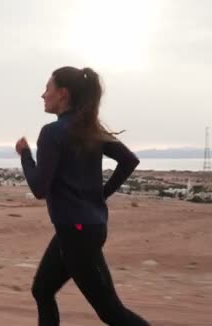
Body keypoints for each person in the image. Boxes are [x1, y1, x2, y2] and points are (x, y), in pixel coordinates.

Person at [15, 66, 150, 325]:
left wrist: (25, 155)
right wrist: (101, 196)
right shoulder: (88, 128)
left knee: (111, 312)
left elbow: (39, 189)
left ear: (63, 93)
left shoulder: (52, 133)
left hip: (77, 232)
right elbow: (129, 161)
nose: (43, 95)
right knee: (42, 290)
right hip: (81, 228)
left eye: (47, 88)